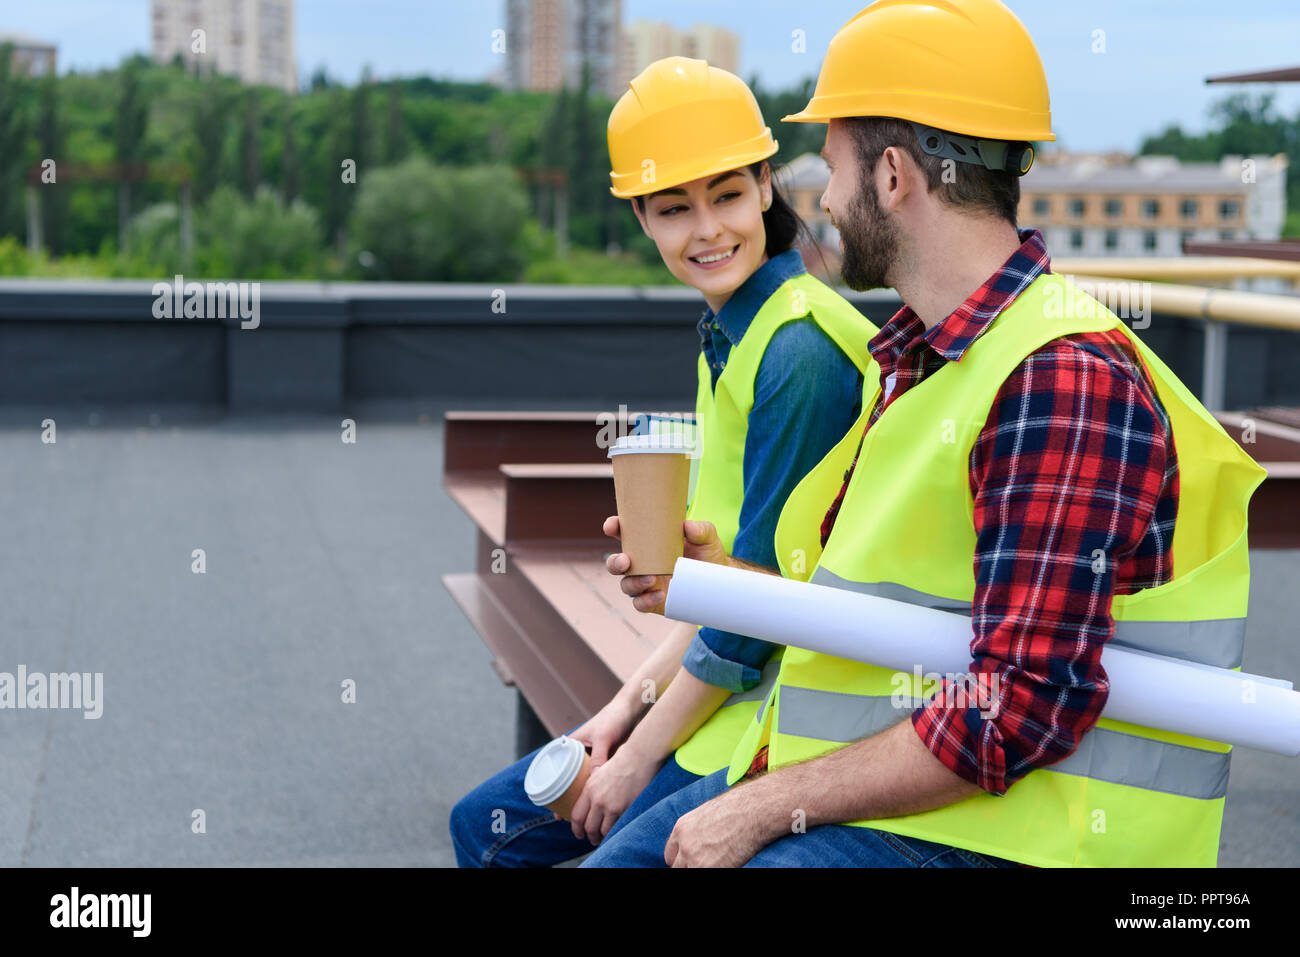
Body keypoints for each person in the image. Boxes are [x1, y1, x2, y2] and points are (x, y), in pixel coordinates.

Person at [585, 0, 1266, 868]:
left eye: (831, 167)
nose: (824, 201)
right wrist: (718, 584)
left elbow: (1017, 709)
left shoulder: (1058, 377)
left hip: (1013, 835)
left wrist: (764, 806)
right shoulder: (923, 354)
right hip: (886, 783)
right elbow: (896, 601)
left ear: (894, 176)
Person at [449, 57, 880, 867]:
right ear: (643, 221)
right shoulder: (734, 335)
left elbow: (758, 613)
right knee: (484, 827)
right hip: (725, 702)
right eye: (674, 209)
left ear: (764, 187)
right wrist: (615, 716)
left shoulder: (800, 353)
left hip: (786, 727)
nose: (707, 229)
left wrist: (639, 753)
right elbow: (723, 589)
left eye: (725, 195)